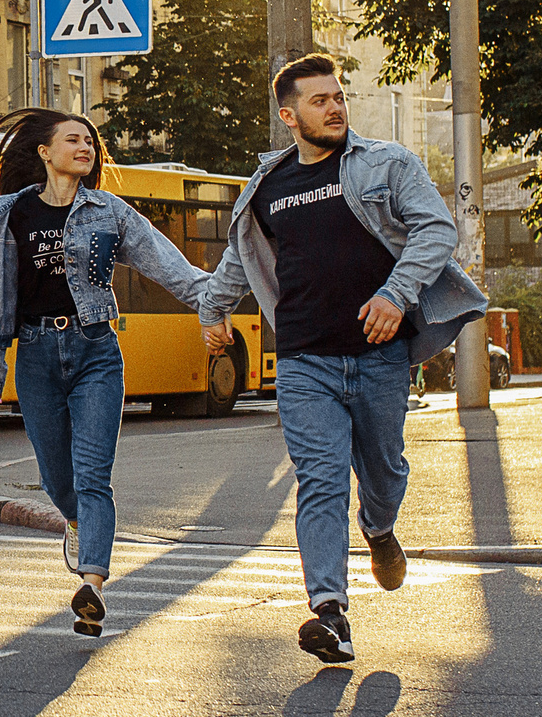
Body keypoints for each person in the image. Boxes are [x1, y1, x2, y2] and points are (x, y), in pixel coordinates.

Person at [198, 54, 488, 665]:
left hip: (379, 357)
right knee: (320, 480)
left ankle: (379, 529)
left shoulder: (385, 162)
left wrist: (394, 292)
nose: (334, 107)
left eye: (338, 97)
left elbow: (437, 230)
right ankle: (330, 613)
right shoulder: (268, 186)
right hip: (305, 360)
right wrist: (210, 310)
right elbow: (239, 258)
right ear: (289, 115)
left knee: (384, 472)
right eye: (319, 100)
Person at [0, 109, 220, 637]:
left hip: (96, 351)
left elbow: (165, 263)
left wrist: (209, 301)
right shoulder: (10, 214)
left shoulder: (111, 213)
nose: (86, 147)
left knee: (93, 476)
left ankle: (92, 585)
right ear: (44, 151)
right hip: (35, 354)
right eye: (73, 139)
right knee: (60, 481)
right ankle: (76, 524)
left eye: (90, 141)